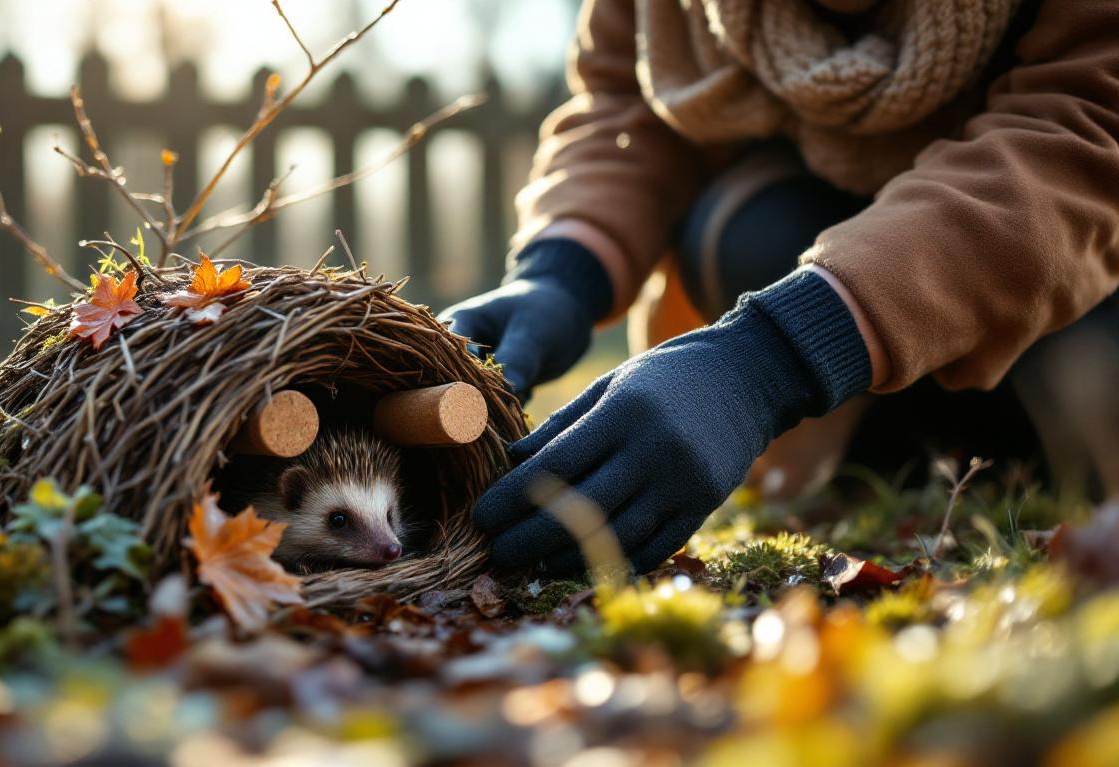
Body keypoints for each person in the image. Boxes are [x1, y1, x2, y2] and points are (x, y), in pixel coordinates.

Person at [440, 0, 1119, 575]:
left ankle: (1044, 464)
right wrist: (563, 271)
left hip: (1069, 306)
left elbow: (1087, 128)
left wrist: (773, 359)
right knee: (747, 227)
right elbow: (630, 100)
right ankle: (867, 470)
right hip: (808, 266)